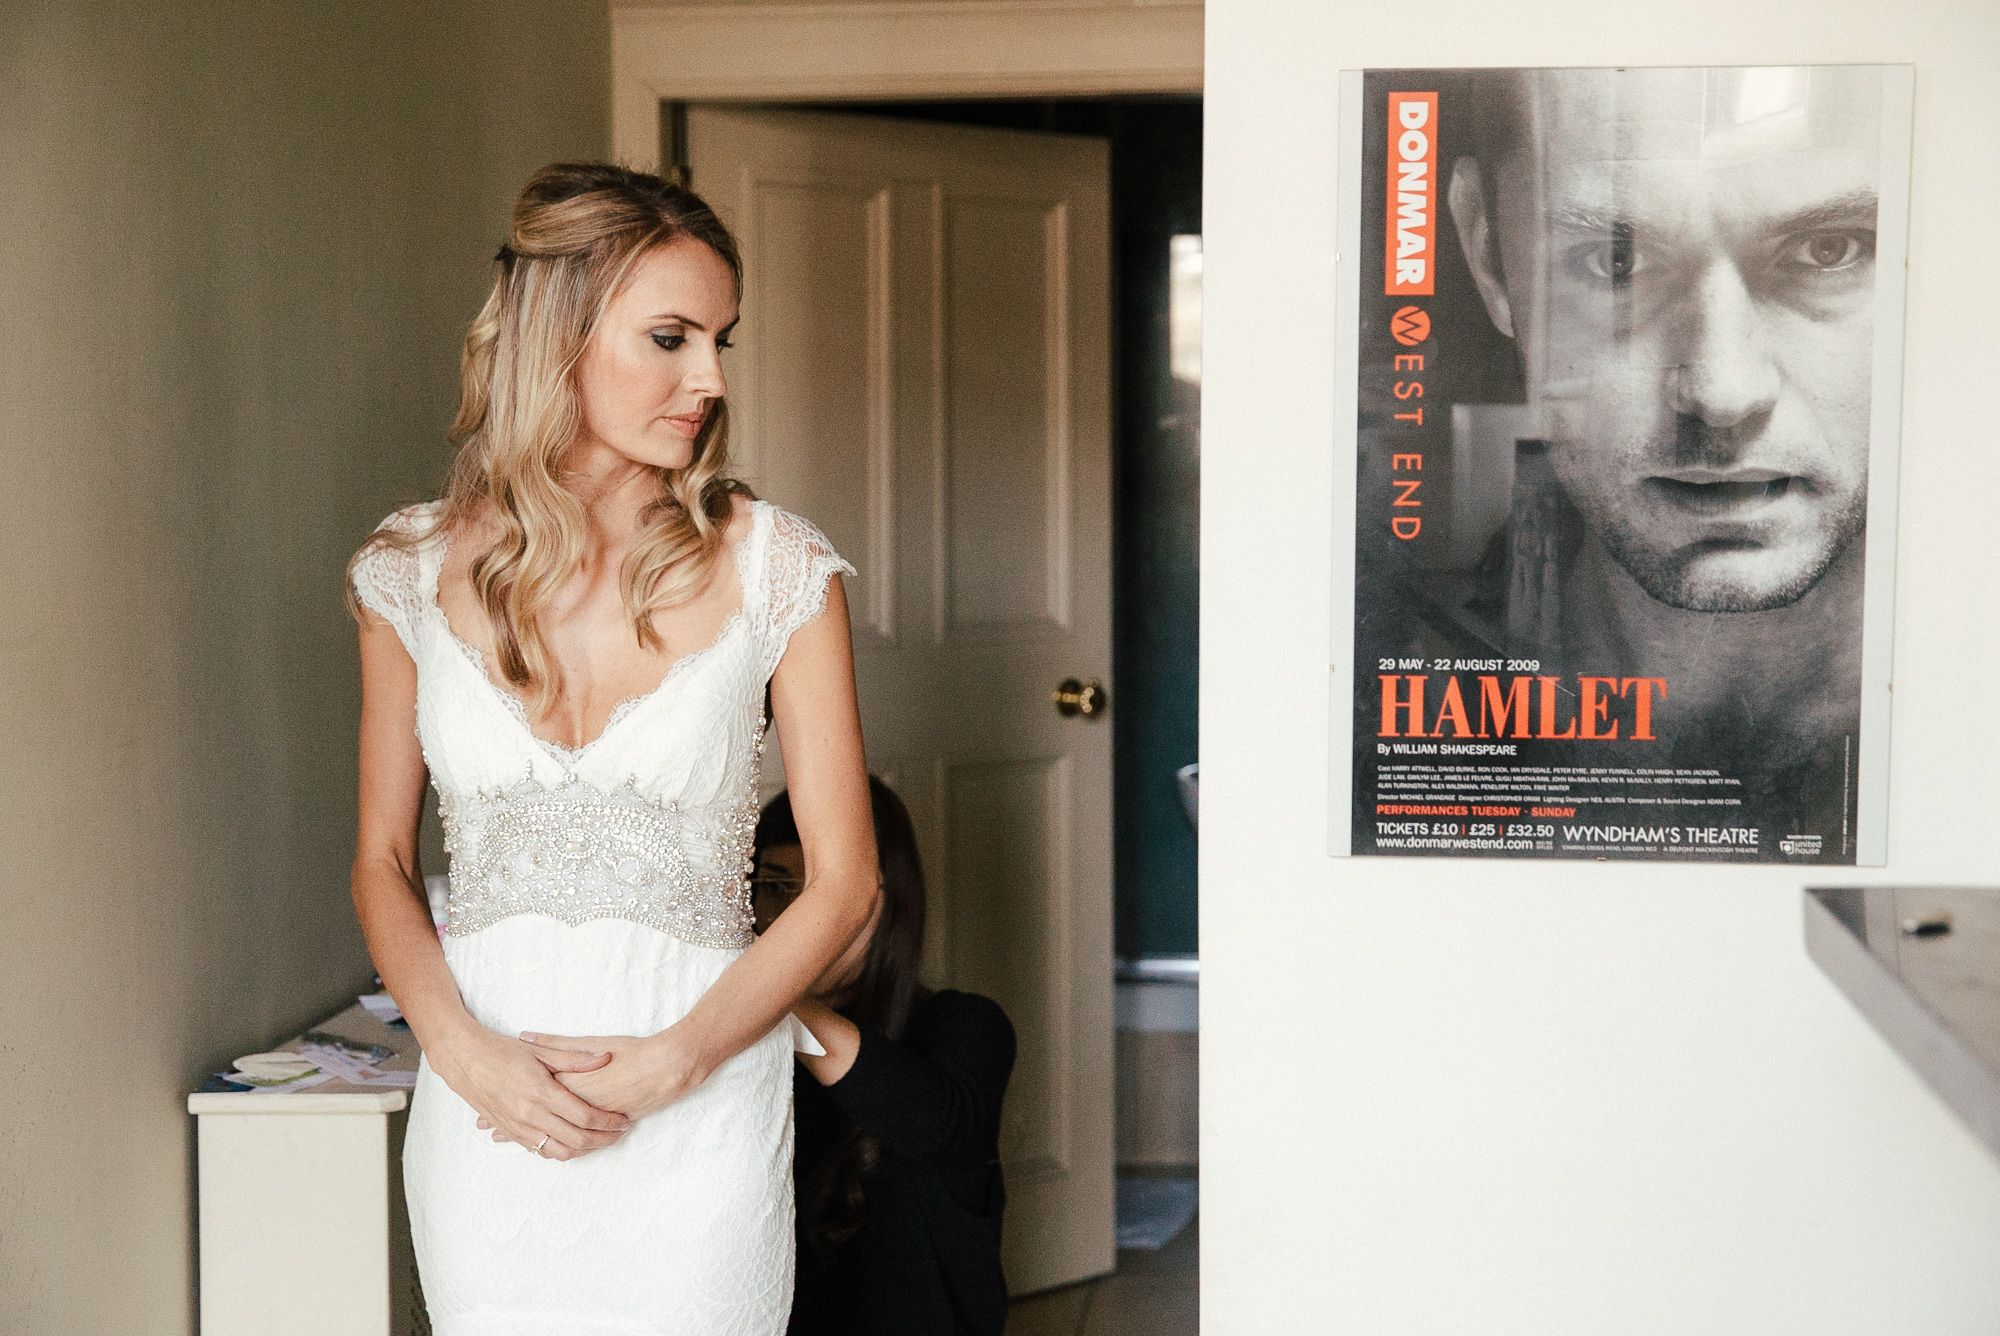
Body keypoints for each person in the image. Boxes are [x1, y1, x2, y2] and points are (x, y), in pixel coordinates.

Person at [346, 161, 879, 1334]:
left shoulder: (774, 564)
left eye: (721, 340)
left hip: (697, 1110)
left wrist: (677, 1060)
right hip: (488, 1118)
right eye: (672, 338)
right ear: (560, 338)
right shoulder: (407, 569)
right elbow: (382, 858)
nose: (711, 379)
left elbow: (845, 887)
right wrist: (460, 1050)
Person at [1439, 64, 1886, 846]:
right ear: (1487, 254)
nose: (1721, 389)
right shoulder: (1387, 708)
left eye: (1829, 251)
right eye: (1615, 261)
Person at [754, 778, 1016, 1336]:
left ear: (885, 905)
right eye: (776, 887)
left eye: (824, 895)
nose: (798, 920)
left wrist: (762, 988)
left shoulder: (967, 1026)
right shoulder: (736, 1045)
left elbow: (929, 1122)